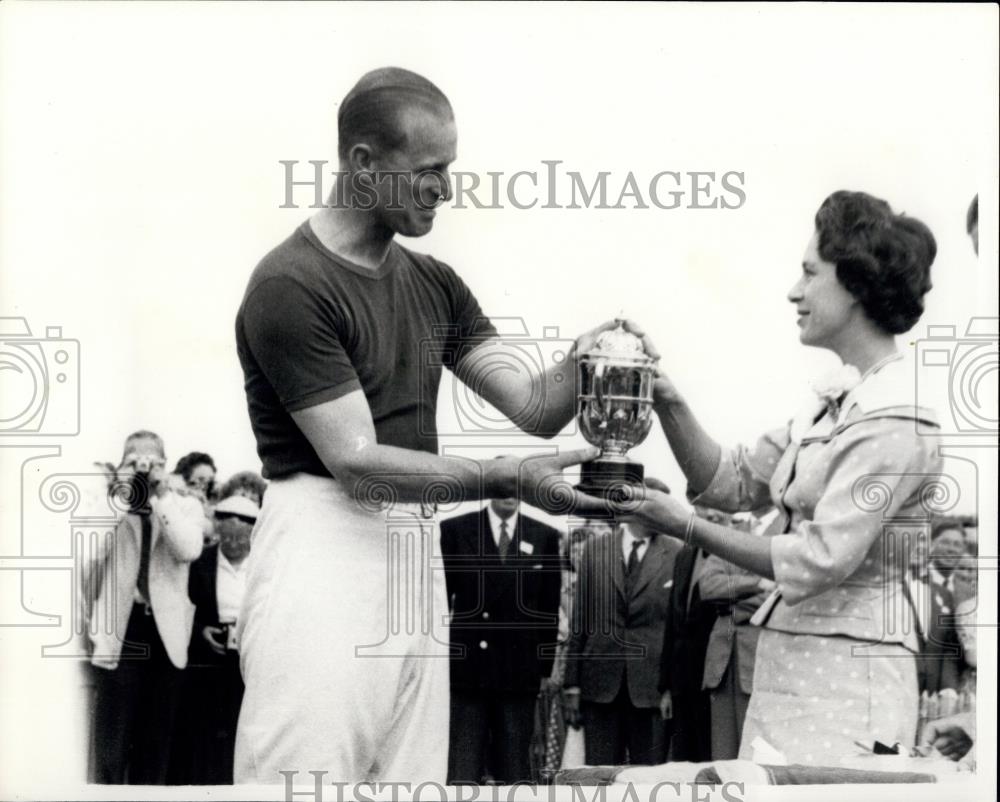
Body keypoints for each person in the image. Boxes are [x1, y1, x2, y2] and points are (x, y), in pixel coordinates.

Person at [233, 67, 634, 784]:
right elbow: (355, 460)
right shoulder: (289, 284)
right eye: (429, 172)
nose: (445, 191)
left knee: (410, 782)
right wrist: (502, 478)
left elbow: (533, 408)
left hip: (416, 548)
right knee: (305, 777)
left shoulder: (435, 283)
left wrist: (593, 358)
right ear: (362, 163)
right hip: (324, 542)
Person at [610, 190, 942, 763]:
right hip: (793, 671)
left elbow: (817, 559)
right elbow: (732, 484)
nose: (794, 290)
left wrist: (684, 527)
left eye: (810, 274)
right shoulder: (835, 403)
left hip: (848, 684)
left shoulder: (896, 416)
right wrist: (665, 400)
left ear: (857, 284)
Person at [89, 430, 205, 783]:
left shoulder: (184, 504)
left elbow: (188, 550)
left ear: (165, 465)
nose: (143, 466)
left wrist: (161, 495)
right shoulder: (110, 504)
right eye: (134, 459)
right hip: (122, 630)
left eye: (151, 460)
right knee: (112, 744)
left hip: (165, 631)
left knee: (155, 745)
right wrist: (122, 492)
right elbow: (91, 550)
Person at [440, 495, 562, 784]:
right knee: (463, 767)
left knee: (515, 767)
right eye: (503, 485)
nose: (510, 494)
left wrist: (544, 668)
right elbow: (440, 601)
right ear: (489, 487)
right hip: (469, 669)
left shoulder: (543, 534)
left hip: (518, 671)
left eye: (517, 488)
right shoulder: (456, 529)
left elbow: (549, 608)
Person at [564, 478, 679, 766]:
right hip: (599, 686)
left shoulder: (678, 553)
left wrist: (671, 689)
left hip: (651, 691)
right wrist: (572, 685)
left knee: (648, 781)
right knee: (598, 778)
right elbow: (580, 622)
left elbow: (678, 631)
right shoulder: (596, 550)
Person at [172, 495, 258, 784]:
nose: (233, 544)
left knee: (241, 730)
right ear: (219, 532)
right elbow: (181, 607)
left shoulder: (262, 565)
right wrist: (201, 631)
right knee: (203, 731)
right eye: (228, 537)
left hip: (249, 660)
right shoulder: (200, 563)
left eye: (240, 538)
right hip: (207, 662)